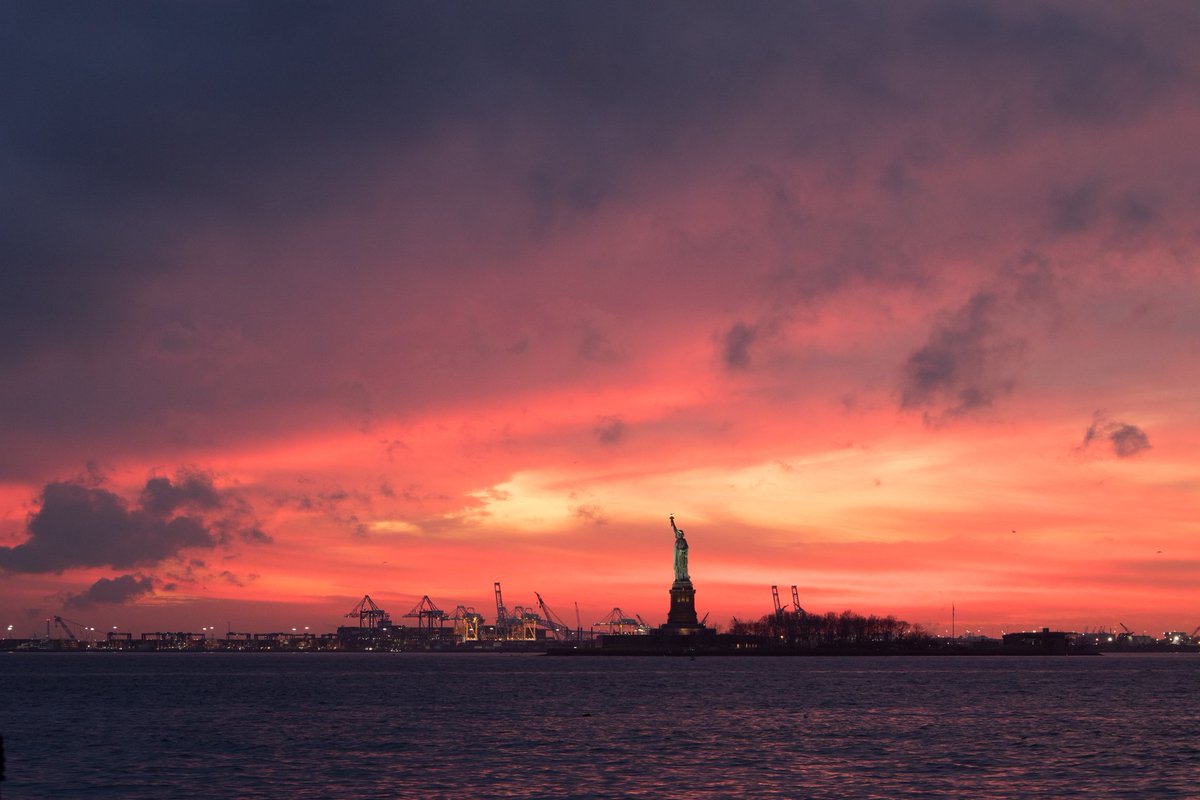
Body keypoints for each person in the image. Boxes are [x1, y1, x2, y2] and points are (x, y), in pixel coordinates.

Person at [670, 515, 689, 582]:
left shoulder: (684, 541)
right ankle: (678, 578)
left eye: (680, 534)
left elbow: (687, 548)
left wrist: (682, 550)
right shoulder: (677, 541)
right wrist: (673, 522)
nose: (678, 534)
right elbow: (675, 530)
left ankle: (684, 577)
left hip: (682, 557)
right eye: (678, 534)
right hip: (677, 557)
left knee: (683, 567)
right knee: (678, 566)